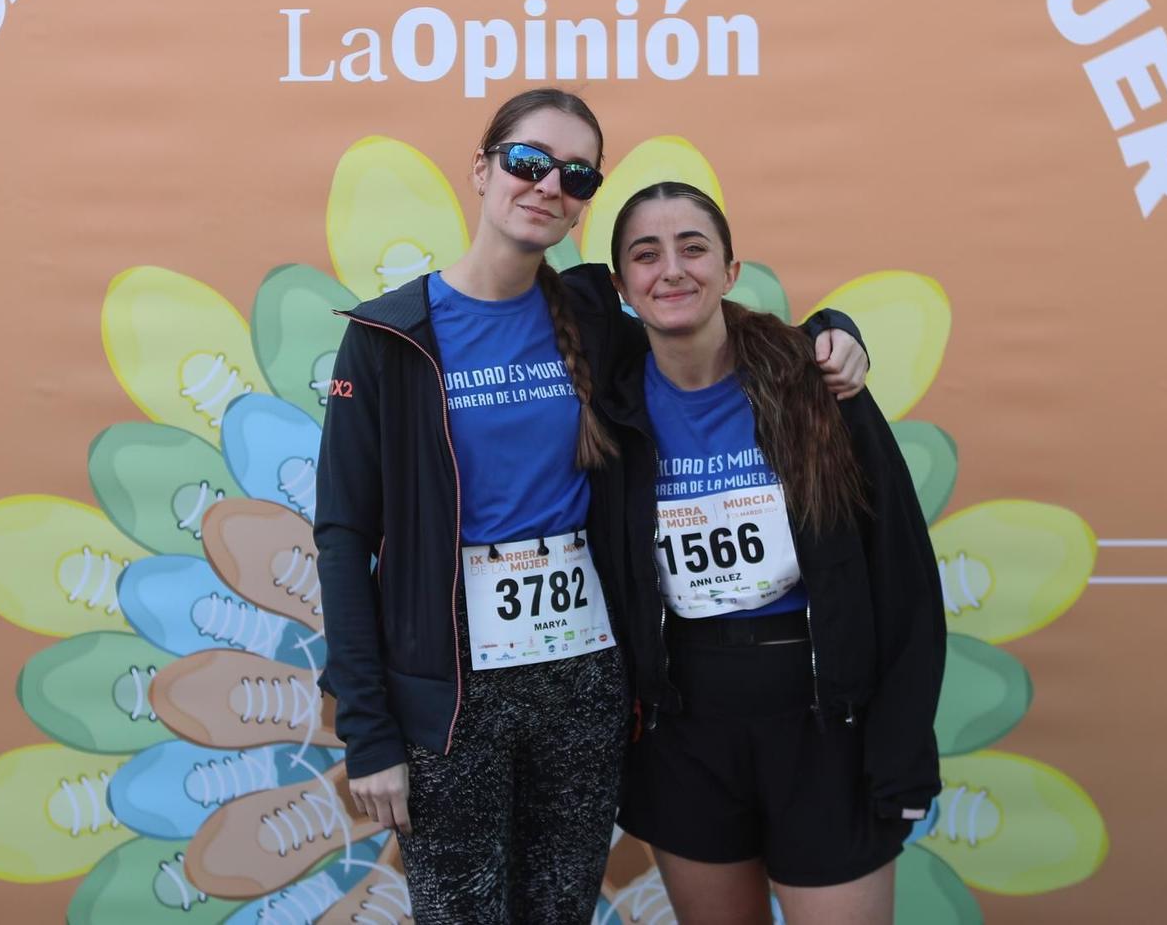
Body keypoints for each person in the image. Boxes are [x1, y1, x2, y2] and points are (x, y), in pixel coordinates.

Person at [313, 89, 869, 924]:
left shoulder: (592, 315)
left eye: (574, 175)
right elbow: (344, 535)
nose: (547, 186)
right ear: (482, 168)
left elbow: (711, 328)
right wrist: (369, 730)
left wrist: (833, 326)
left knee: (559, 912)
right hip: (454, 692)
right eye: (528, 162)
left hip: (586, 682)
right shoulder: (392, 338)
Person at [578, 181, 944, 925]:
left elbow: (902, 570)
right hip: (686, 727)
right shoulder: (609, 403)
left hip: (822, 722)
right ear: (623, 286)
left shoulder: (816, 382)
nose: (671, 270)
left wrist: (901, 750)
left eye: (693, 248)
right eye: (645, 256)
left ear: (732, 269)